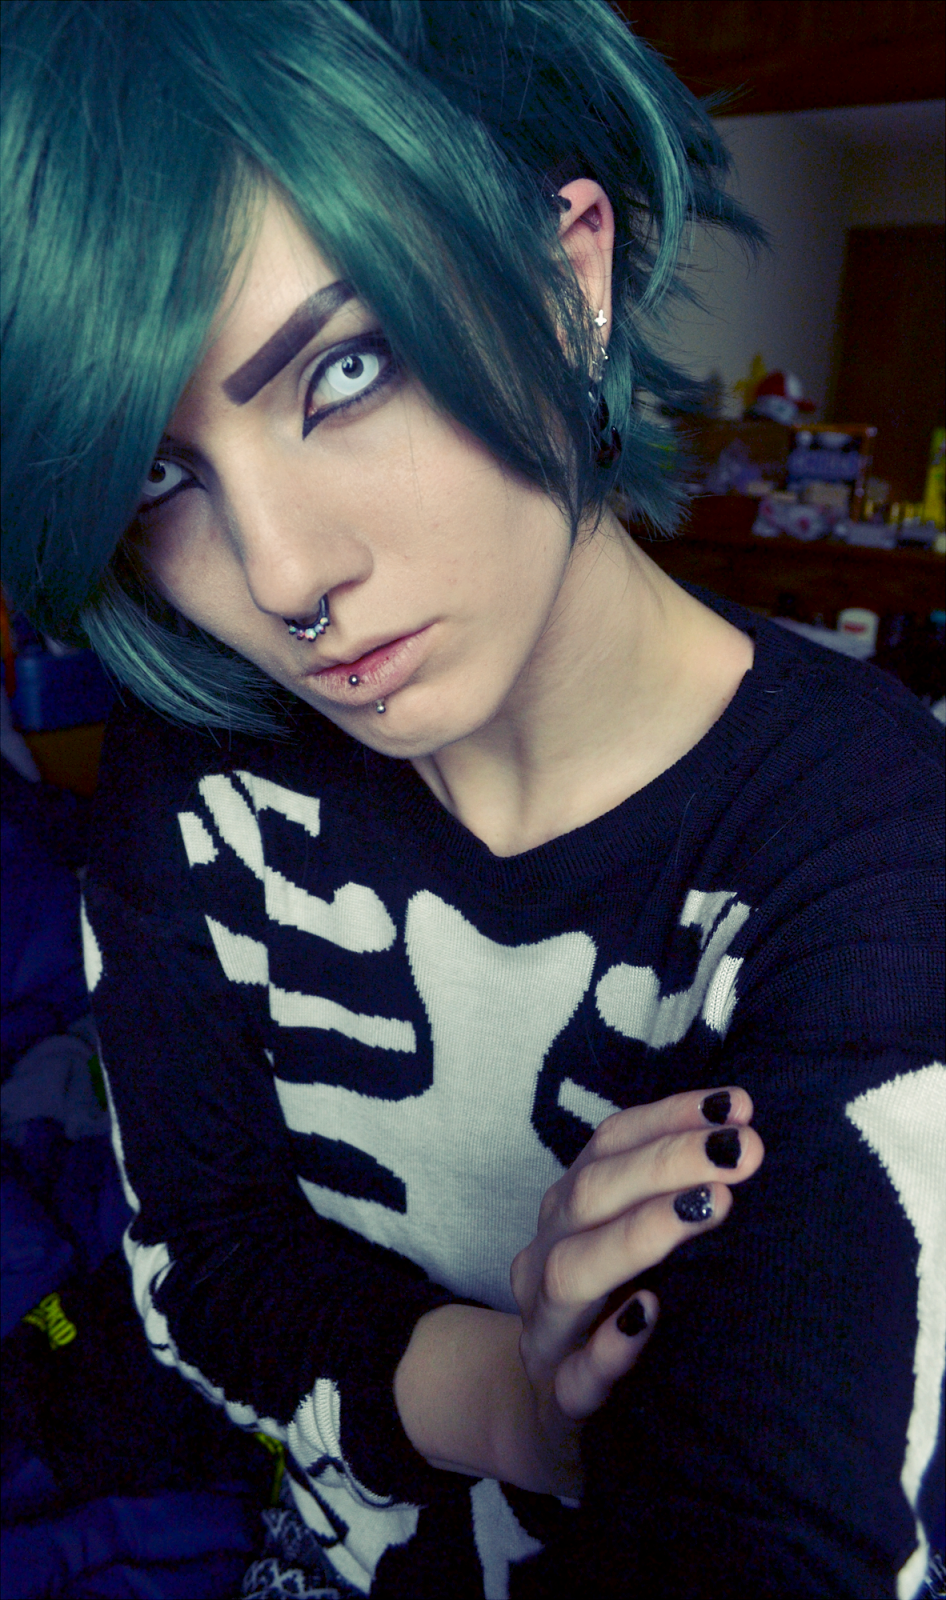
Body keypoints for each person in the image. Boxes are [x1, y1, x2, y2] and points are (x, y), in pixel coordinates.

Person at [2, 3, 943, 1596]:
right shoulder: (197, 768)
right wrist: (518, 1397)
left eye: (346, 368)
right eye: (161, 475)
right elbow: (202, 1271)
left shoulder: (871, 833)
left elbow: (790, 1517)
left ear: (567, 278)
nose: (284, 577)